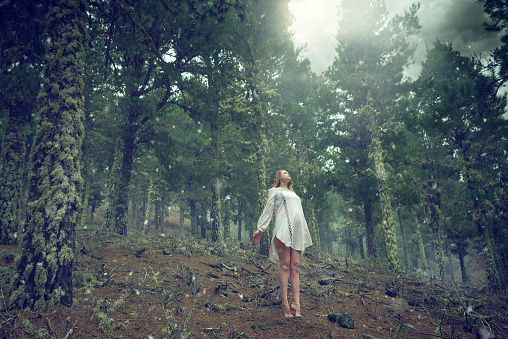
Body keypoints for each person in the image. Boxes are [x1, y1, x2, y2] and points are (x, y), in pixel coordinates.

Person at [252, 170, 313, 317]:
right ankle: (285, 303)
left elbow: (299, 213)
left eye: (288, 173)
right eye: (285, 173)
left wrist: (304, 232)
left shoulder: (294, 193)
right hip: (283, 229)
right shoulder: (275, 191)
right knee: (285, 265)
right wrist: (261, 229)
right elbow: (268, 211)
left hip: (298, 231)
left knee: (296, 267)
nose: (288, 174)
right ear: (279, 177)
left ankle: (296, 304)